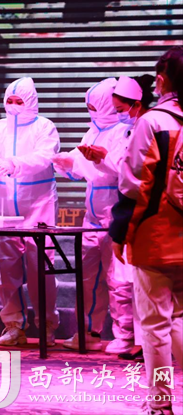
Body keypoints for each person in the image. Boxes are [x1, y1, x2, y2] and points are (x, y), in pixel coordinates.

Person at [110, 46, 183, 415]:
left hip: (156, 233)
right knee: (180, 318)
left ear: (161, 79)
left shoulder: (154, 121)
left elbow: (134, 182)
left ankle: (160, 401)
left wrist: (120, 232)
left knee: (155, 324)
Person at [0, 77, 60, 346]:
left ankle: (46, 324)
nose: (13, 106)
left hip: (38, 204)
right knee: (7, 268)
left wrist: (13, 164)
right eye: (9, 101)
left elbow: (44, 157)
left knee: (41, 267)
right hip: (5, 206)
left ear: (31, 101)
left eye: (19, 101)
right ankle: (13, 325)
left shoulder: (44, 126)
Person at [78, 75, 154, 356]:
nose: (119, 114)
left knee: (124, 280)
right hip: (107, 214)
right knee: (104, 279)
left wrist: (103, 157)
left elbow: (131, 172)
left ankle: (131, 337)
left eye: (121, 109)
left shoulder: (142, 129)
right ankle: (123, 338)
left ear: (136, 104)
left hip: (129, 213)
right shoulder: (123, 129)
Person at [52, 77, 129, 351]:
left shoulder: (124, 132)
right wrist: (66, 163)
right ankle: (88, 333)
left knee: (118, 281)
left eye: (95, 106)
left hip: (115, 217)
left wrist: (86, 162)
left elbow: (120, 170)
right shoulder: (92, 131)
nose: (91, 112)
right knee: (87, 280)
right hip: (92, 218)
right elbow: (79, 170)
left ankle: (125, 335)